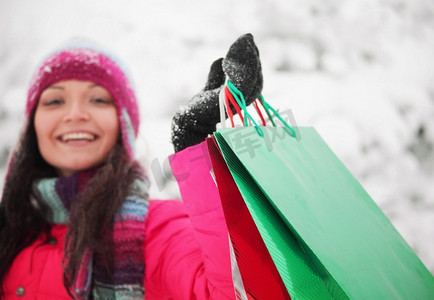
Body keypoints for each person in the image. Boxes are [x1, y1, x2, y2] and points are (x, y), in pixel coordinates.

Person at [0, 33, 262, 299]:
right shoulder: (9, 231)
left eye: (98, 99)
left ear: (122, 125)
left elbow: (235, 292)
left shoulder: (157, 229)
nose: (75, 114)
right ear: (33, 125)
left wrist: (195, 154)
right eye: (55, 101)